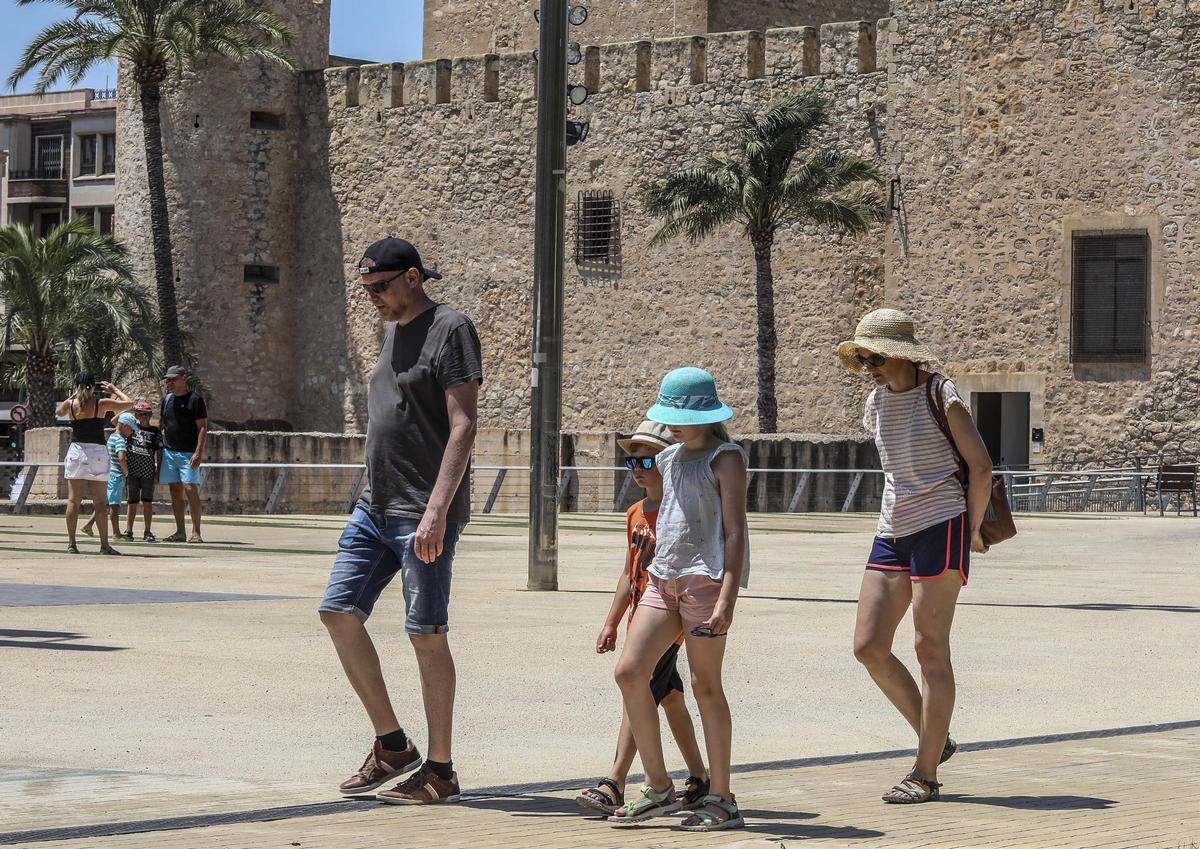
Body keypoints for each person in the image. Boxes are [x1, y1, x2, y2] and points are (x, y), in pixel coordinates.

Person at [318, 237, 482, 806]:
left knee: (425, 634)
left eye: (379, 287)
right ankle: (393, 745)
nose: (372, 299)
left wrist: (437, 510)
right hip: (375, 504)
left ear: (412, 277)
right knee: (337, 612)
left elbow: (462, 426)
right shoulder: (391, 333)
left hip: (421, 511)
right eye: (365, 290)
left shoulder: (450, 328)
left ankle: (441, 769)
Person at [837, 308, 993, 804]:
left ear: (903, 354)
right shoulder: (875, 403)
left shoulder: (939, 394)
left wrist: (969, 530)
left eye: (876, 356)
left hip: (942, 524)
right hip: (892, 529)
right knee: (868, 646)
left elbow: (981, 466)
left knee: (930, 648)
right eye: (863, 359)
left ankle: (924, 774)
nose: (870, 366)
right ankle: (935, 738)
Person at [608, 367, 748, 832]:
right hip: (662, 579)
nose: (674, 427)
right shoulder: (667, 459)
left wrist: (727, 597)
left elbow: (733, 531)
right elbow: (668, 517)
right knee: (629, 671)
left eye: (681, 418)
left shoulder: (726, 458)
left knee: (707, 688)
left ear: (709, 417)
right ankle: (659, 786)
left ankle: (722, 797)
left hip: (705, 582)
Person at [575, 420, 709, 816]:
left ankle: (614, 782)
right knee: (668, 698)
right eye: (629, 460)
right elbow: (627, 572)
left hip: (669, 623)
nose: (636, 467)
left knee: (638, 690)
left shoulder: (678, 510)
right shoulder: (635, 512)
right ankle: (700, 778)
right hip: (642, 619)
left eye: (645, 459)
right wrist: (612, 621)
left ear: (667, 461)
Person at [57, 373, 133, 554]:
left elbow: (59, 412)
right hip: (97, 452)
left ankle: (72, 544)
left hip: (76, 451)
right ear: (92, 387)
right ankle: (104, 545)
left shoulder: (71, 405)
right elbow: (129, 403)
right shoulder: (101, 403)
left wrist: (73, 396)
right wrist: (114, 390)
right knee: (100, 501)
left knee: (73, 500)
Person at [159, 365, 208, 543]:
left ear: (184, 379)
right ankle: (180, 531)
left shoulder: (195, 399)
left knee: (190, 488)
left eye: (173, 379)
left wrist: (198, 452)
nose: (170, 382)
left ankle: (196, 532)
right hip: (170, 451)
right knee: (174, 490)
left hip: (189, 452)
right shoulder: (167, 400)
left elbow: (202, 427)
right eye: (168, 380)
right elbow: (163, 424)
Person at [124, 401, 162, 541]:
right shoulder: (131, 429)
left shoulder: (155, 432)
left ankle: (147, 531)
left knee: (147, 502)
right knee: (132, 502)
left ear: (150, 415)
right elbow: (115, 421)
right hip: (132, 472)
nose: (143, 416)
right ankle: (129, 530)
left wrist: (159, 471)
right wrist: (128, 408)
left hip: (148, 472)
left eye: (146, 414)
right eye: (140, 414)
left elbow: (159, 452)